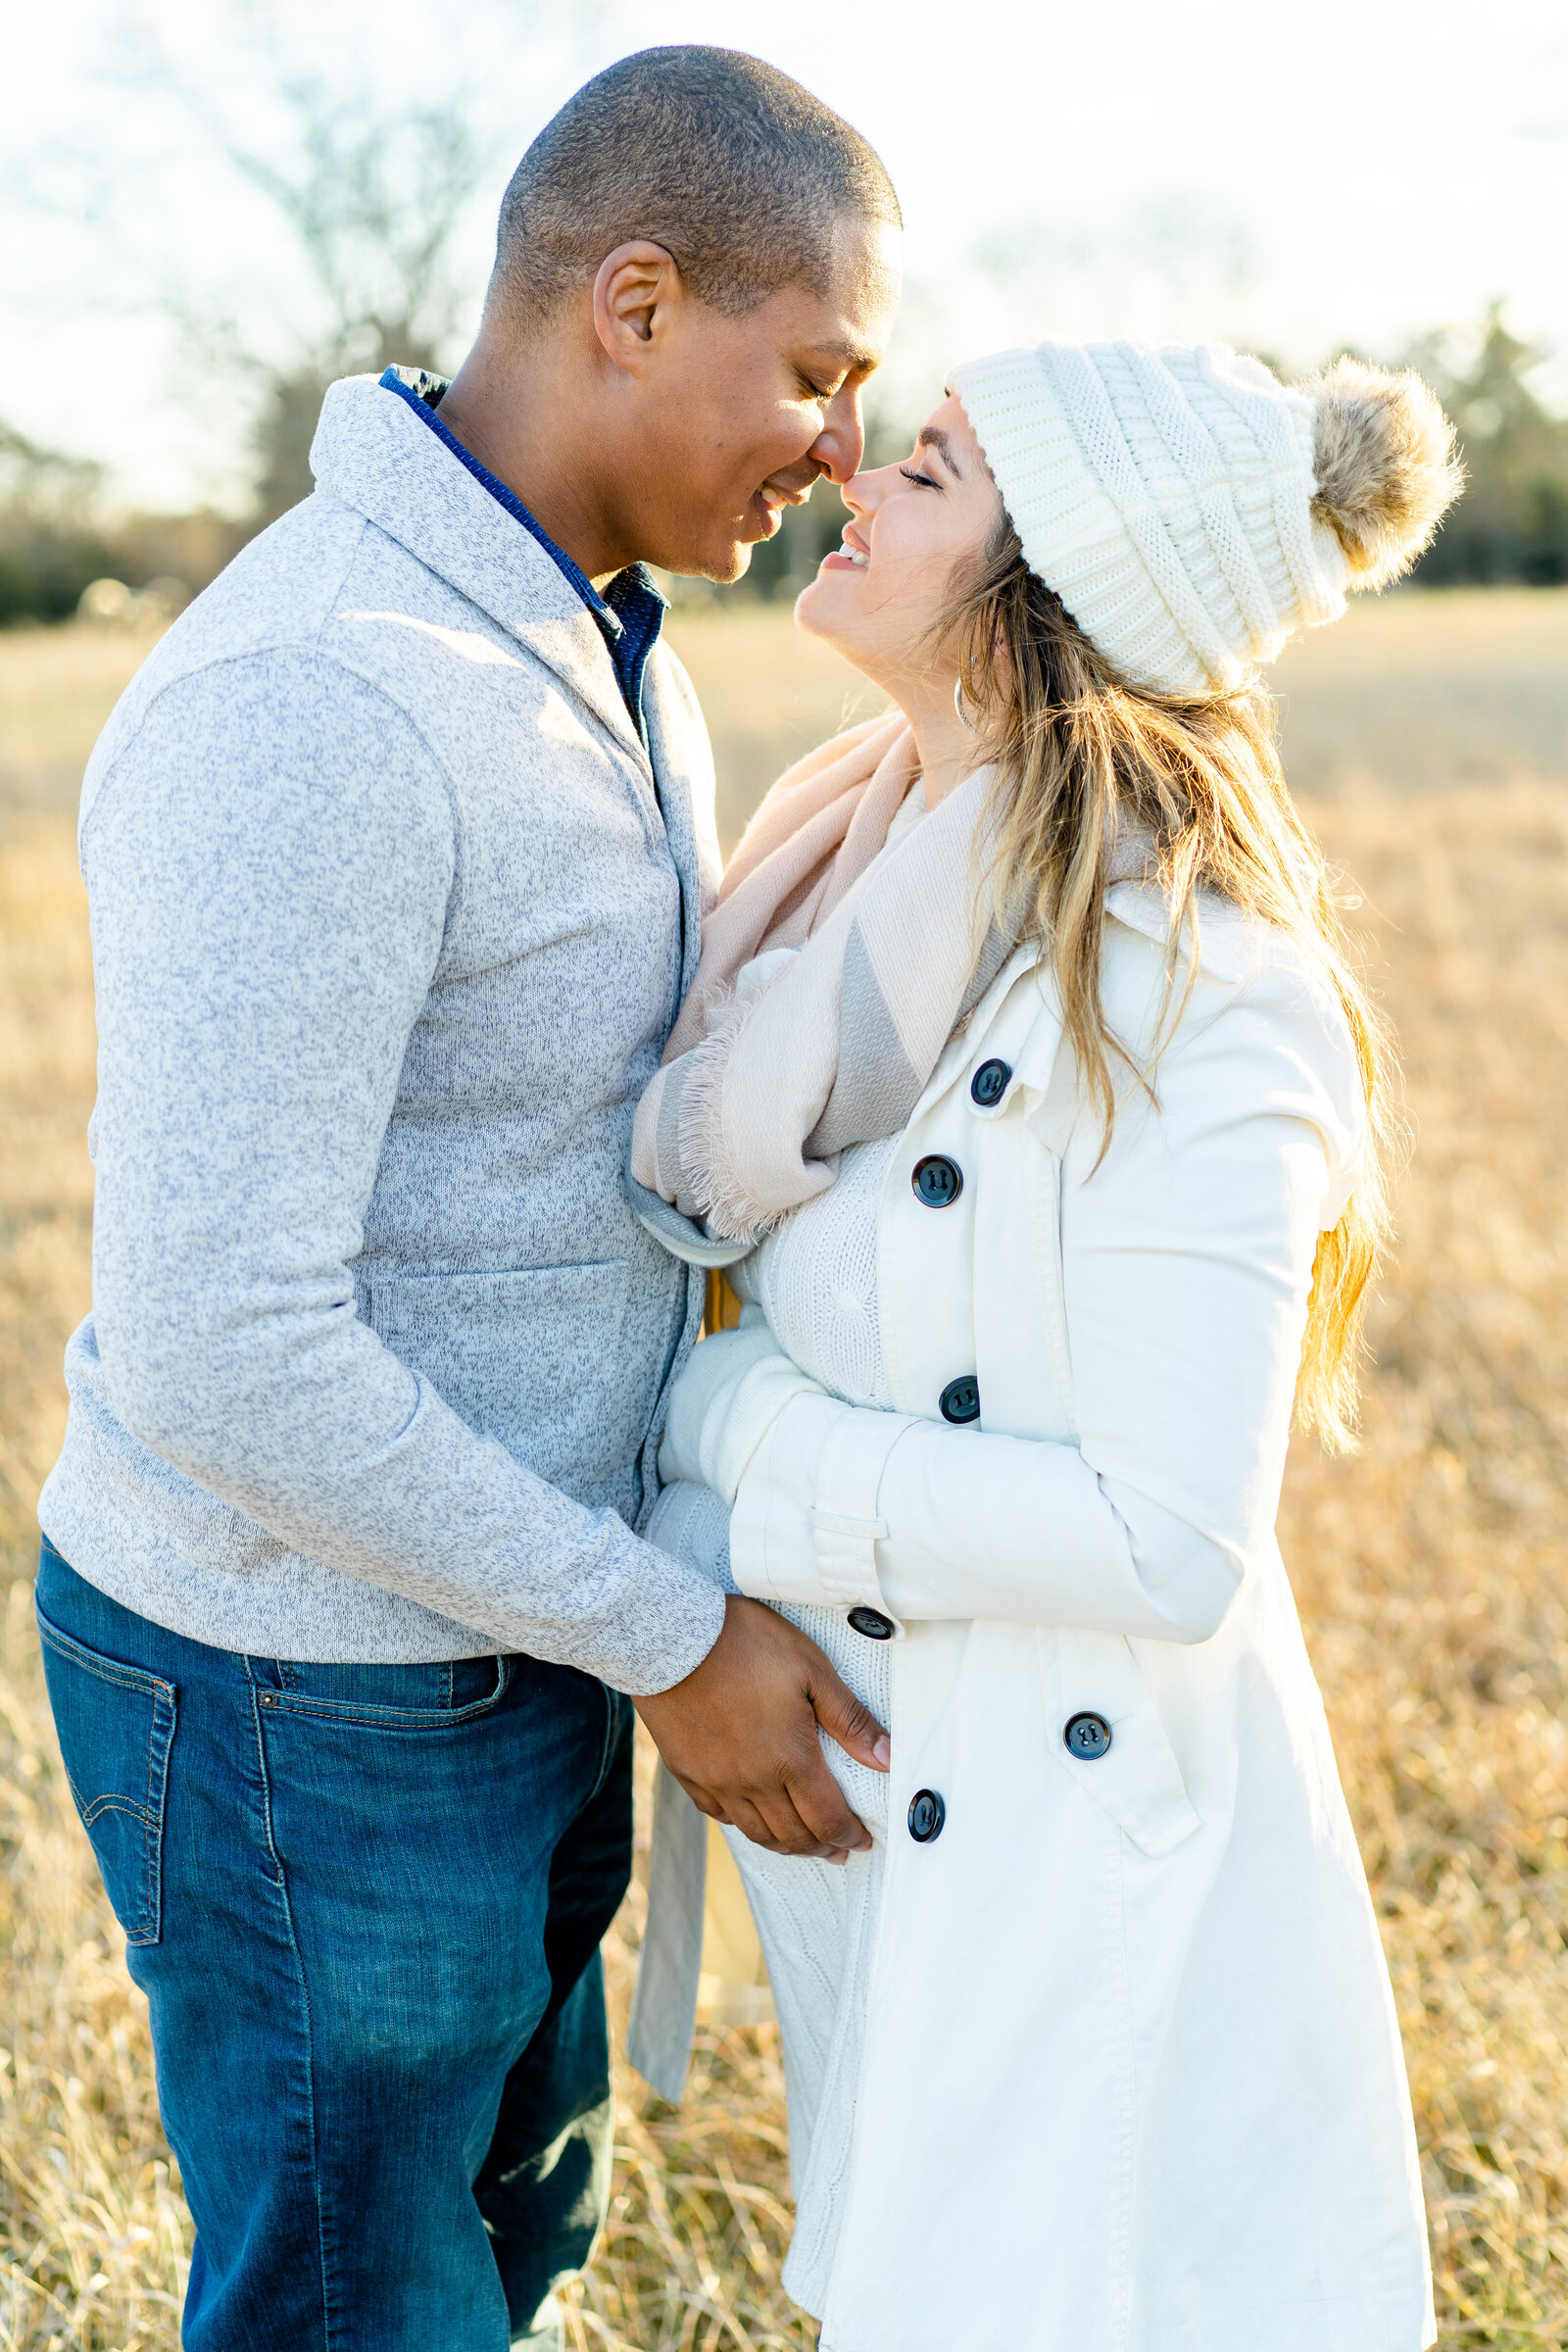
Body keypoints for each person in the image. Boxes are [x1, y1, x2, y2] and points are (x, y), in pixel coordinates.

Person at [34, 47, 903, 2351]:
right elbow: (229, 1345)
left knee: (495, 2259)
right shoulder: (325, 694)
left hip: (513, 1627)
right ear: (632, 300)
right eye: (813, 369)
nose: (839, 445)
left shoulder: (608, 647)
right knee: (360, 2305)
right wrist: (669, 1638)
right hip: (301, 1685)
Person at [630, 337, 1463, 2350]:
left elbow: (1169, 1540)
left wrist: (735, 1444)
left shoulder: (1192, 982)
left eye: (927, 471)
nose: (852, 468)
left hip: (1078, 1857)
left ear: (1053, 591)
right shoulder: (863, 877)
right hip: (898, 1830)